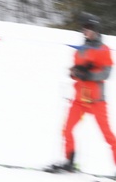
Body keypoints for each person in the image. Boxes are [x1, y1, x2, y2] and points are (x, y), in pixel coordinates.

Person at [47, 13, 116, 173]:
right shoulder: (80, 50)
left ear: (96, 29)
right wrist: (74, 72)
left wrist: (89, 74)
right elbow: (76, 71)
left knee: (108, 135)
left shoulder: (103, 50)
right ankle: (69, 162)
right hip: (79, 100)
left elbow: (106, 73)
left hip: (96, 101)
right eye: (84, 27)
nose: (86, 30)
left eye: (89, 27)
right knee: (67, 129)